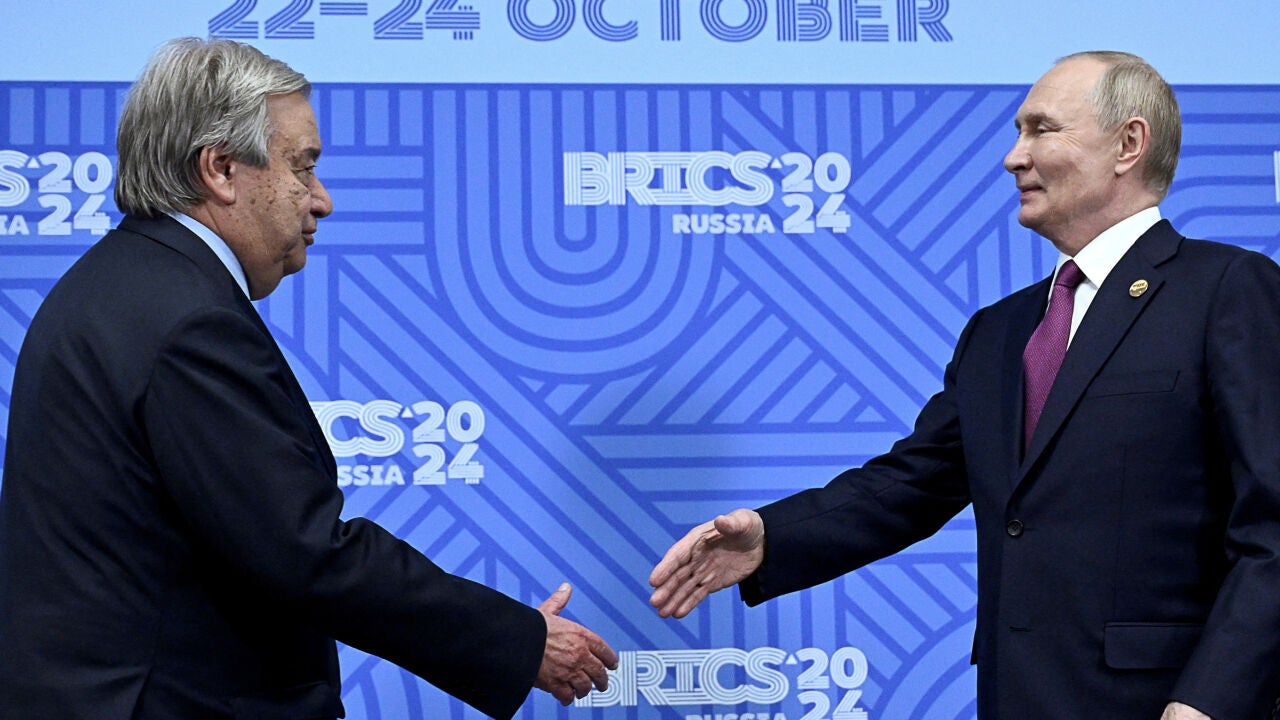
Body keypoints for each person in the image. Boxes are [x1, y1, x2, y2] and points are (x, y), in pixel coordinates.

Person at [649, 51, 1280, 720]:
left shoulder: (1226, 291)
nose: (1014, 157)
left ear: (1128, 144)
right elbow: (914, 482)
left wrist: (1209, 701)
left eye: (1042, 129)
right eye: (1018, 132)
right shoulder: (1000, 330)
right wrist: (772, 539)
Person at [0, 37, 616, 720]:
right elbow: (306, 553)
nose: (320, 200)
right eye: (303, 167)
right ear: (221, 169)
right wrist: (517, 642)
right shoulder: (190, 322)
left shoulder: (116, 285)